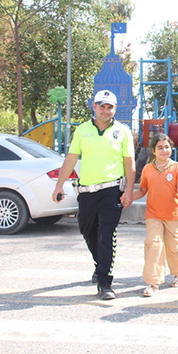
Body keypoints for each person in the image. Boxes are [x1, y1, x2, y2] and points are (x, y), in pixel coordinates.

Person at [52, 90, 136, 300]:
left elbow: (129, 164)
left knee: (107, 235)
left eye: (110, 107)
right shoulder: (82, 130)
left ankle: (105, 282)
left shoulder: (122, 131)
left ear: (115, 109)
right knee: (88, 231)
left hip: (111, 191)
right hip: (87, 192)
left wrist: (129, 191)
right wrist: (58, 186)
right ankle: (101, 265)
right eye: (102, 106)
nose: (106, 110)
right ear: (94, 107)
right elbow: (71, 158)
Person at [132, 134, 178, 297]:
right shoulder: (148, 168)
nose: (164, 150)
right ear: (153, 151)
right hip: (153, 214)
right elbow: (143, 190)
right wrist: (128, 198)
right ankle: (153, 282)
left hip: (173, 214)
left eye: (167, 147)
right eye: (160, 147)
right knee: (154, 244)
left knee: (173, 246)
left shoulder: (177, 167)